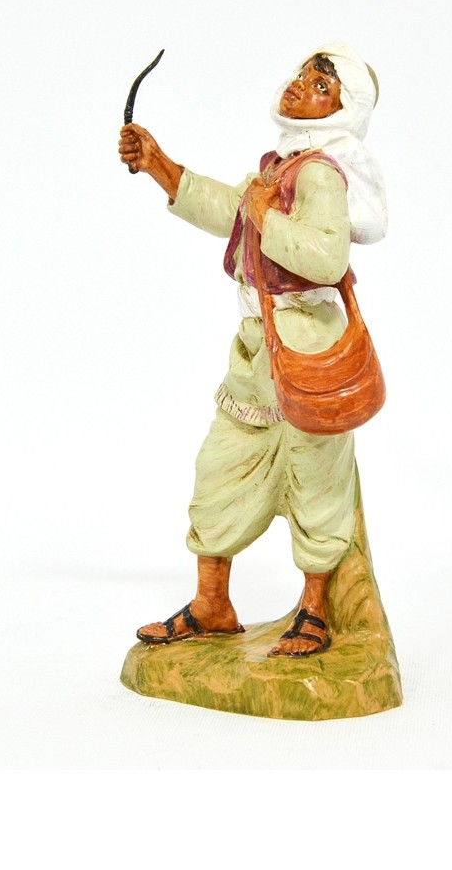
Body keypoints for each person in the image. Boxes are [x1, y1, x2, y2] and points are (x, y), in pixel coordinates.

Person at [118, 42, 387, 657]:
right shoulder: (281, 167)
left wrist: (267, 217)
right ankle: (211, 604)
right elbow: (231, 209)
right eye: (303, 74)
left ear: (342, 109)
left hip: (305, 348)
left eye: (321, 85)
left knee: (315, 479)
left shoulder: (320, 173)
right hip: (257, 351)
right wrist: (159, 165)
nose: (299, 85)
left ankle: (314, 611)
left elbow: (326, 259)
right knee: (221, 468)